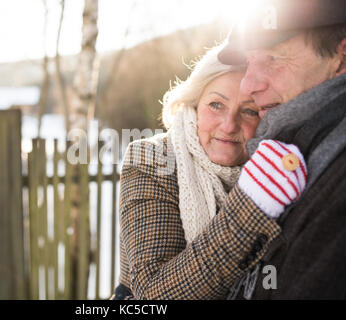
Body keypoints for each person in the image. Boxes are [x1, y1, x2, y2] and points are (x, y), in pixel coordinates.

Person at [112, 44, 307, 299]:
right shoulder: (152, 158)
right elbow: (154, 292)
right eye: (216, 105)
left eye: (248, 111)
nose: (228, 125)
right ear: (194, 104)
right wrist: (252, 205)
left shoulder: (279, 168)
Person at [217, 0, 346, 299]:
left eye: (274, 57)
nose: (248, 84)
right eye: (249, 61)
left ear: (341, 58)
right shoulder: (286, 149)